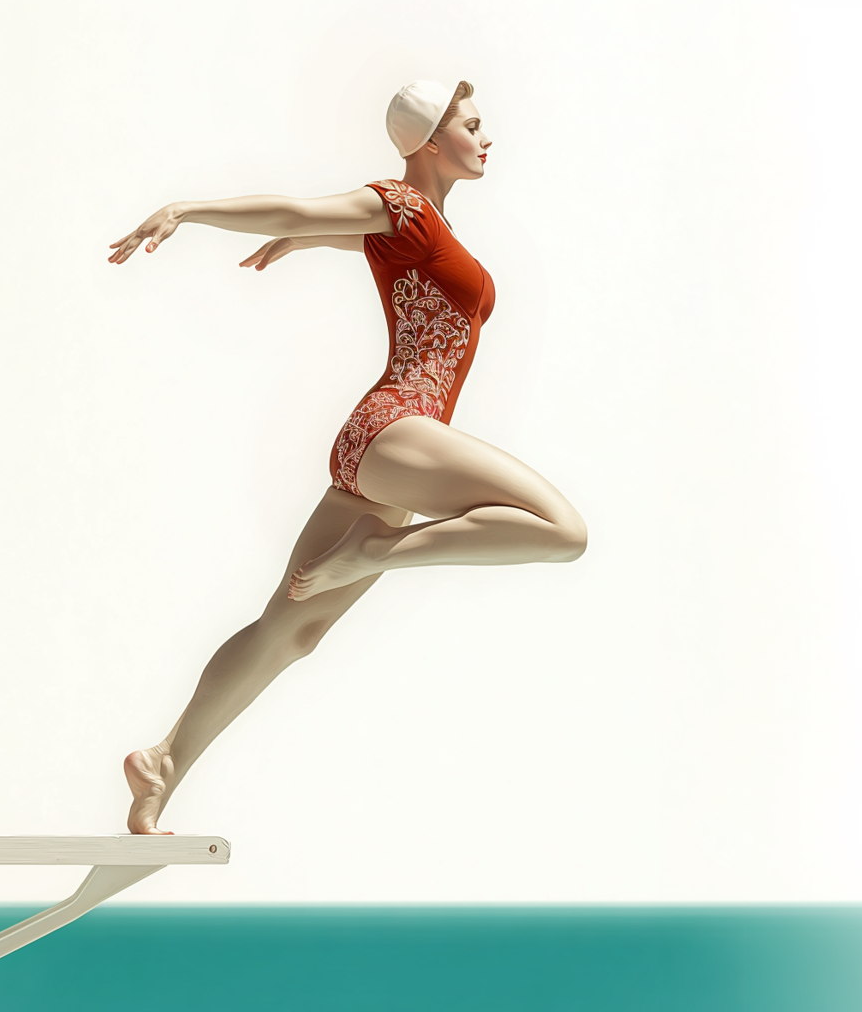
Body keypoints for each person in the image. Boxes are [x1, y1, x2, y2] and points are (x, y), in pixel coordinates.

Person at [108, 80, 587, 835]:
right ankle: (381, 549)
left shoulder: (414, 227)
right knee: (562, 530)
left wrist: (318, 237)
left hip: (392, 449)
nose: (487, 136)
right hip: (396, 427)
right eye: (471, 124)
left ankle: (163, 762)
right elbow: (297, 210)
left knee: (290, 629)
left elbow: (342, 235)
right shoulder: (399, 205)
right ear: (430, 140)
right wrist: (187, 209)